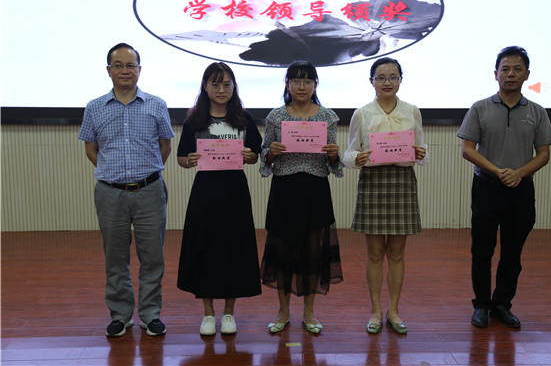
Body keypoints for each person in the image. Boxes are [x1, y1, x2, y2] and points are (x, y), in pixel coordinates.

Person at [457, 46, 551, 328]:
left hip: (521, 189)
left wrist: (519, 174)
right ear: (495, 74)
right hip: (487, 187)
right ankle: (481, 305)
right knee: (482, 250)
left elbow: (544, 154)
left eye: (517, 69)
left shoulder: (537, 112)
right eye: (505, 69)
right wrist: (498, 171)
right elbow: (468, 149)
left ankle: (502, 303)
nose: (510, 74)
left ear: (527, 74)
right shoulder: (480, 108)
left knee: (513, 252)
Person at [78, 43, 175, 337]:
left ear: (139, 70)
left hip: (149, 190)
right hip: (110, 193)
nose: (124, 70)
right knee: (115, 257)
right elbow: (91, 149)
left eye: (130, 65)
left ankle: (150, 314)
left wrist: (144, 173)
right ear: (109, 70)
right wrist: (114, 174)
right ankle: (120, 315)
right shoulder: (94, 107)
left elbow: (165, 146)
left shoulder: (156, 104)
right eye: (118, 65)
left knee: (153, 257)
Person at [343, 57, 428, 335]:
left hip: (402, 182)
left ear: (401, 79)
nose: (387, 82)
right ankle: (375, 310)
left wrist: (421, 153)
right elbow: (349, 153)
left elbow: (421, 149)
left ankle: (394, 310)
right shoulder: (362, 113)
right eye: (381, 77)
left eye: (393, 77)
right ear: (372, 81)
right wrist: (358, 158)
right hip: (374, 183)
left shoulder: (412, 111)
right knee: (375, 253)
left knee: (397, 253)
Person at [176, 62, 262, 336]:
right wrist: (189, 160)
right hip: (205, 193)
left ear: (234, 87)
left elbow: (256, 154)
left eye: (227, 84)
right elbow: (181, 157)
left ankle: (228, 313)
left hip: (235, 193)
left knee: (233, 249)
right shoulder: (194, 120)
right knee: (205, 248)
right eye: (215, 84)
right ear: (205, 87)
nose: (221, 89)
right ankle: (208, 314)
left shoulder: (243, 118)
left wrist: (250, 155)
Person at [260, 61, 343, 334]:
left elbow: (334, 164)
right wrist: (270, 153)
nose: (301, 86)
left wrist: (334, 155)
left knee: (313, 253)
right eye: (296, 81)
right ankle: (283, 312)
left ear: (315, 85)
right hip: (285, 190)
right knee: (283, 253)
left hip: (315, 190)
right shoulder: (275, 117)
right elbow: (264, 158)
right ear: (287, 84)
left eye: (307, 81)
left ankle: (309, 312)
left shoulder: (328, 117)